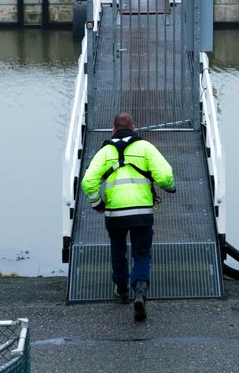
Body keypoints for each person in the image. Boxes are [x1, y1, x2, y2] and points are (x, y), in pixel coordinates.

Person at [81, 112, 176, 322]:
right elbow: (165, 175)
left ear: (113, 130)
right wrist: (170, 188)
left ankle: (122, 290)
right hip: (142, 212)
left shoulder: (105, 152)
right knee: (142, 254)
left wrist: (98, 204)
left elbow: (88, 182)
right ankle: (140, 290)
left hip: (115, 213)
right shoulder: (145, 148)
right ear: (134, 128)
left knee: (118, 250)